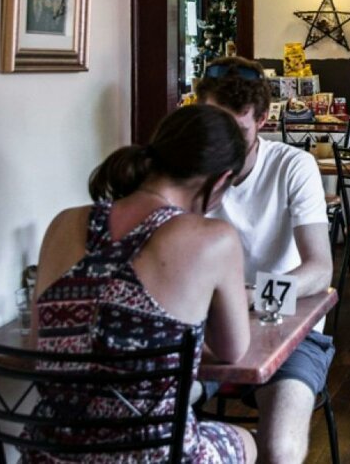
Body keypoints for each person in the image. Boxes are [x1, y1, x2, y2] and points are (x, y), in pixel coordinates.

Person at [30, 104, 256, 463]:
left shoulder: (62, 224)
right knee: (244, 440)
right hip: (152, 455)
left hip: (51, 454)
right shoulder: (215, 238)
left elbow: (39, 343)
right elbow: (232, 350)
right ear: (219, 180)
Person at [195, 56, 335, 464]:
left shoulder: (293, 165)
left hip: (290, 327)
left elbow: (319, 269)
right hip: (205, 327)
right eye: (212, 125)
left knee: (279, 451)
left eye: (235, 129)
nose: (223, 145)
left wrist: (254, 295)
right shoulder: (192, 168)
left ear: (263, 119)